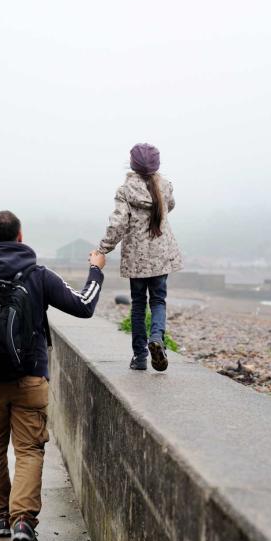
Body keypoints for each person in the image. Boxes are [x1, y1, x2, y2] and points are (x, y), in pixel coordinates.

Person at [0, 210, 105, 541]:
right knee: (29, 449)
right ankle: (23, 521)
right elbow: (84, 306)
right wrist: (96, 268)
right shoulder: (38, 275)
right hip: (31, 377)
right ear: (21, 237)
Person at [97, 143, 183, 371]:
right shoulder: (165, 187)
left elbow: (118, 223)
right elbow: (170, 206)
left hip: (137, 258)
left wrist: (102, 249)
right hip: (161, 255)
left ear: (132, 164)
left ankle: (140, 357)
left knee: (138, 305)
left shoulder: (126, 190)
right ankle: (157, 337)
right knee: (158, 301)